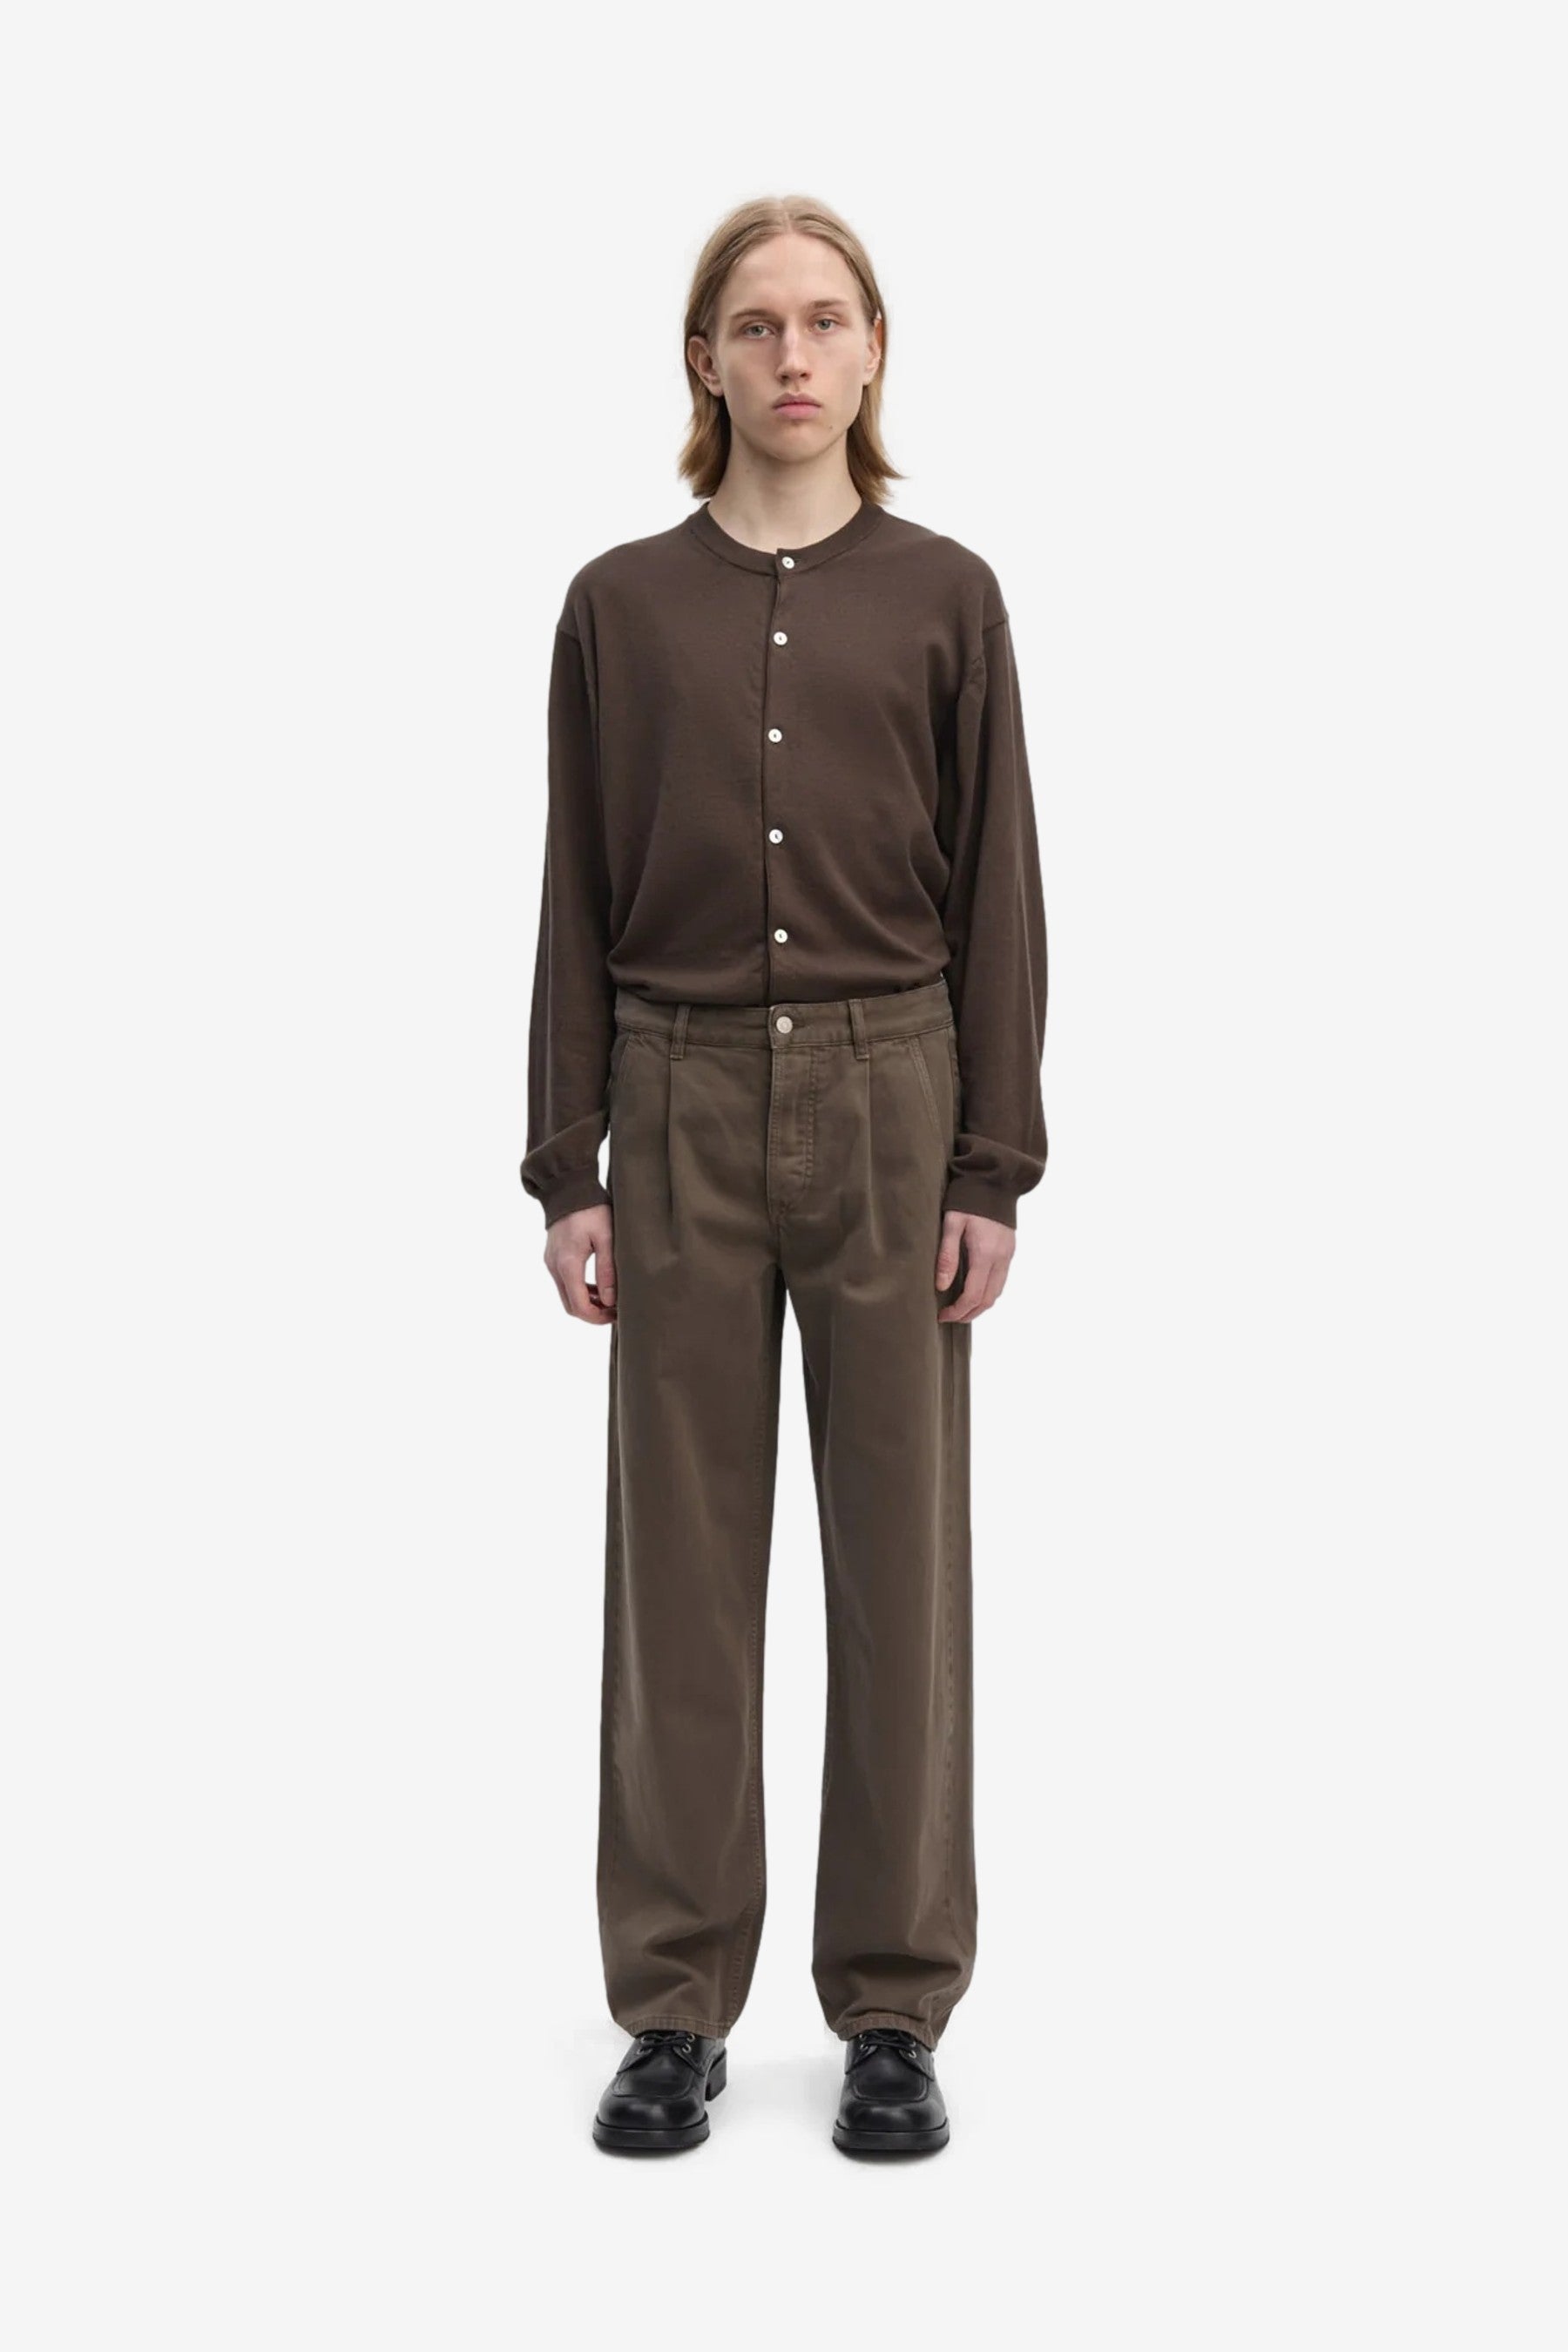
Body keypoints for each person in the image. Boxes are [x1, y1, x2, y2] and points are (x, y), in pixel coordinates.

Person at [520, 193, 1048, 2158]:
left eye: (829, 319)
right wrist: (563, 1159)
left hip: (896, 1092)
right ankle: (673, 2007)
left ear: (875, 350)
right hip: (671, 1104)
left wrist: (994, 1162)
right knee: (679, 1574)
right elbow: (572, 888)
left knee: (902, 1567)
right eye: (757, 325)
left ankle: (894, 2007)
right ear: (706, 361)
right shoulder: (616, 607)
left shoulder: (948, 598)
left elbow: (1000, 891)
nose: (795, 354)